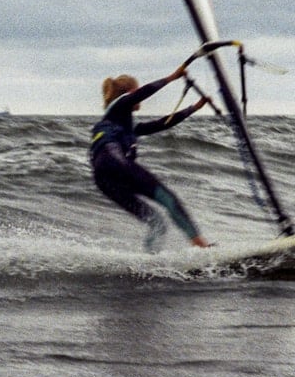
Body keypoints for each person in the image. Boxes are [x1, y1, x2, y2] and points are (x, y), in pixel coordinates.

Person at [89, 66, 213, 251]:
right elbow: (142, 94)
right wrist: (172, 77)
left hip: (103, 178)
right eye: (136, 91)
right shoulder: (119, 106)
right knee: (168, 199)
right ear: (131, 91)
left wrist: (193, 108)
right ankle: (202, 247)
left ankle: (149, 262)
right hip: (114, 161)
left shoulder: (125, 125)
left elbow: (161, 124)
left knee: (156, 222)